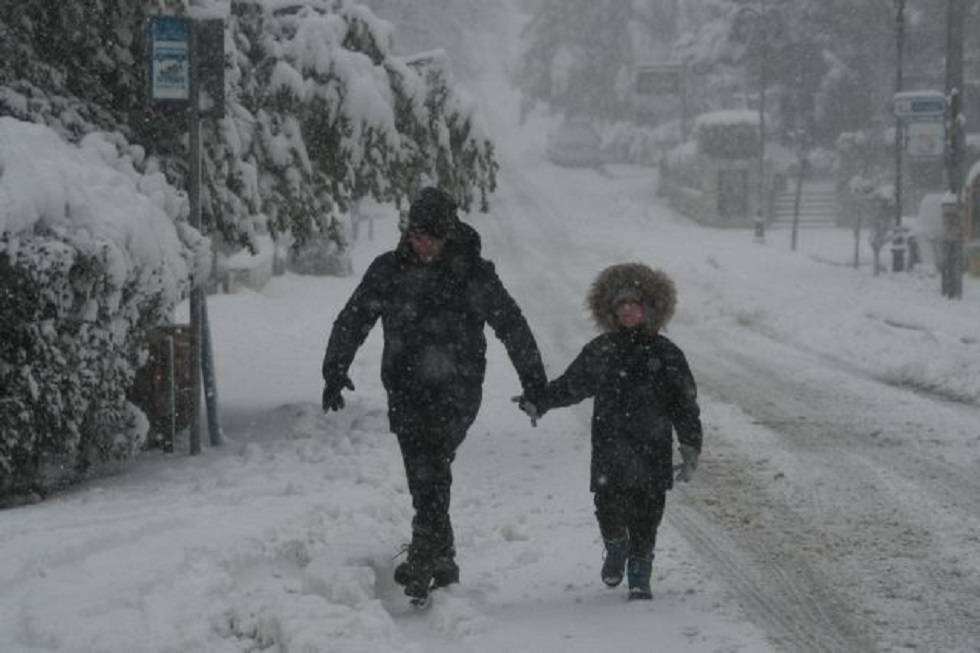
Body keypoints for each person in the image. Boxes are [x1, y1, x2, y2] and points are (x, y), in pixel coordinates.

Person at [321, 186, 547, 601]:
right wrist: (334, 370)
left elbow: (512, 325)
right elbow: (353, 320)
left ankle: (424, 552)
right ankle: (444, 559)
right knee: (423, 468)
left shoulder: (475, 274)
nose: (423, 245)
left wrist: (534, 381)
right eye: (416, 235)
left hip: (457, 389)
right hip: (405, 389)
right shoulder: (388, 271)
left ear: (449, 235)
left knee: (431, 460)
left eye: (432, 237)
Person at [515, 262, 702, 600]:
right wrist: (539, 401)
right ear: (611, 310)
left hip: (652, 448)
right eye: (621, 304)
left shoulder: (667, 354)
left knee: (648, 514)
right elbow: (571, 385)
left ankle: (640, 573)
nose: (627, 310)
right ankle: (616, 548)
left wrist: (690, 445)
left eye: (634, 303)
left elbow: (685, 404)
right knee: (609, 509)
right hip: (610, 448)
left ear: (649, 308)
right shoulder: (602, 350)